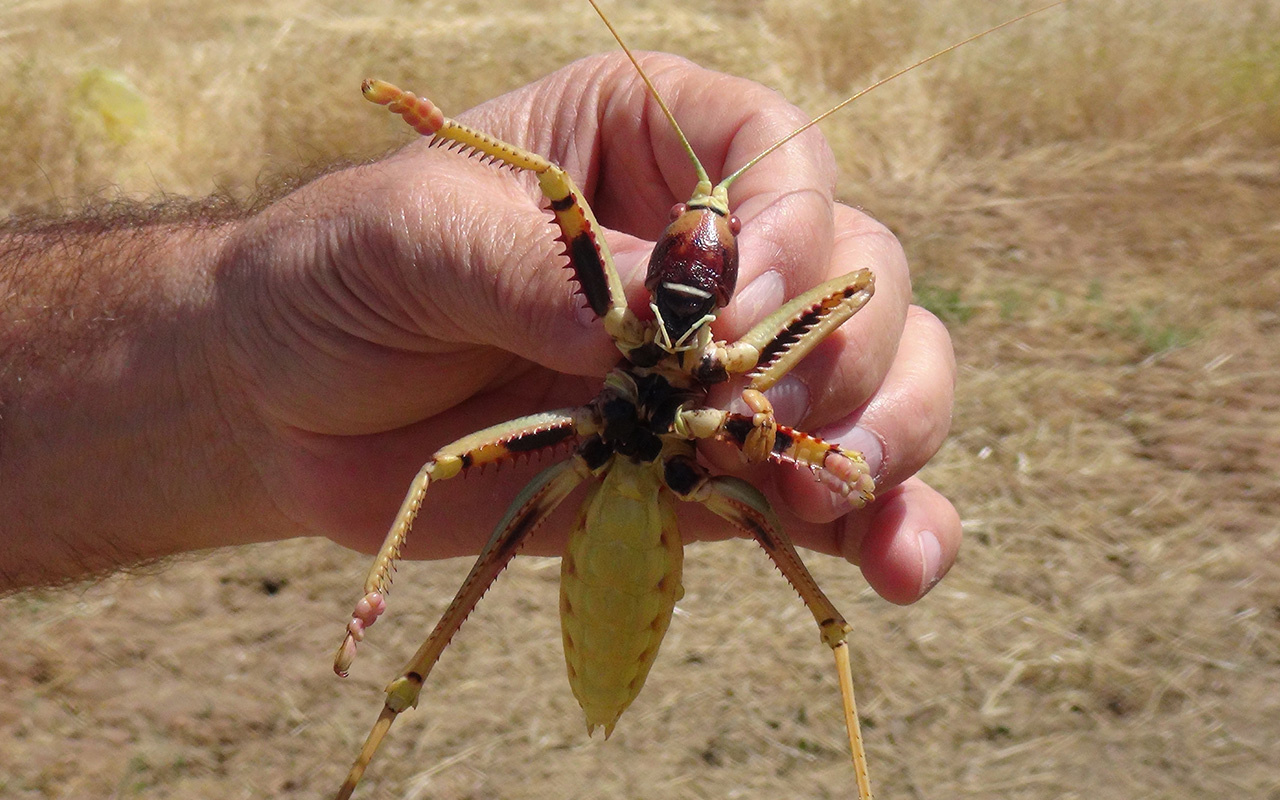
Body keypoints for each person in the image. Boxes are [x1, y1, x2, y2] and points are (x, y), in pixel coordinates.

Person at [0, 53, 958, 605]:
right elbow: (552, 185)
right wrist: (435, 130)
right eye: (685, 226)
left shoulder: (733, 349)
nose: (699, 228)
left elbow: (861, 283)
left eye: (713, 232)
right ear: (662, 250)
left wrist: (822, 433)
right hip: (612, 466)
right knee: (456, 487)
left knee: (827, 610)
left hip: (673, 476)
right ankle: (391, 654)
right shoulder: (618, 303)